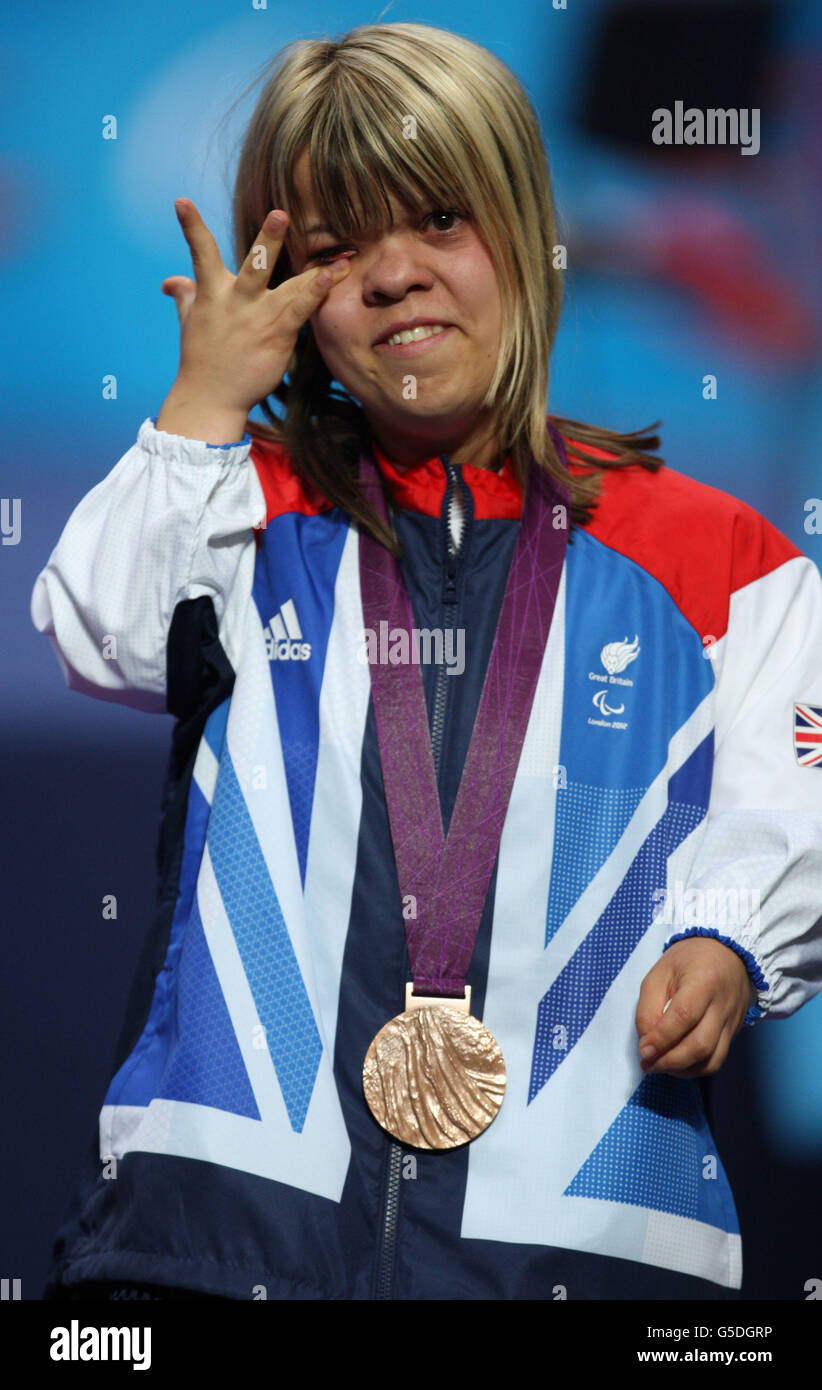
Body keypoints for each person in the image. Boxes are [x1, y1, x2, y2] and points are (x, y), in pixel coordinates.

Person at [32, 22, 822, 1301]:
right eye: (339, 249)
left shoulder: (720, 558)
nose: (394, 277)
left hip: (584, 1253)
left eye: (441, 222)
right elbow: (101, 626)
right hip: (209, 1238)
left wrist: (730, 943)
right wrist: (202, 411)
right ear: (287, 284)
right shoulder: (242, 510)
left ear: (523, 231)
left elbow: (800, 808)